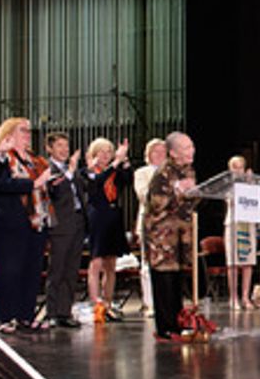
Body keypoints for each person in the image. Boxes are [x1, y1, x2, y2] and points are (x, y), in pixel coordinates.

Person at [0, 118, 53, 333]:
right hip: (11, 220)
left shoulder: (33, 159)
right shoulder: (3, 157)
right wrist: (34, 183)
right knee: (9, 269)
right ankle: (5, 317)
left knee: (32, 269)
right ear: (9, 133)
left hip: (36, 220)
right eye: (23, 130)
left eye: (28, 130)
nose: (27, 134)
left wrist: (49, 183)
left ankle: (26, 315)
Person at [143, 132, 201, 340]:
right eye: (186, 148)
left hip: (179, 236)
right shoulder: (163, 173)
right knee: (164, 282)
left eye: (192, 147)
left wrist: (194, 193)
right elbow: (156, 203)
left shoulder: (187, 170)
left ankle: (177, 323)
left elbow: (187, 204)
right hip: (162, 238)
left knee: (176, 281)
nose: (191, 151)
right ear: (174, 152)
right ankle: (165, 327)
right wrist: (179, 190)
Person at [84, 136, 132, 321]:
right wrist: (116, 163)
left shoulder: (114, 172)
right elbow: (97, 182)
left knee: (111, 264)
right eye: (102, 152)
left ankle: (108, 303)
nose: (106, 155)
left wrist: (124, 160)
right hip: (98, 216)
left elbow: (127, 179)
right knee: (96, 262)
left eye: (109, 152)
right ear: (94, 155)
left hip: (113, 216)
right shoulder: (88, 172)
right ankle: (96, 304)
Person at [44, 132, 87, 328]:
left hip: (77, 222)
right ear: (50, 149)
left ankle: (64, 311)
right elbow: (55, 191)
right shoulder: (48, 168)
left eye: (66, 146)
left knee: (71, 269)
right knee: (57, 269)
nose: (64, 150)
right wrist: (69, 171)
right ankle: (52, 312)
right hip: (60, 224)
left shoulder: (73, 170)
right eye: (59, 146)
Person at [133, 138, 167, 317]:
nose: (160, 155)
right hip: (149, 223)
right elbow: (143, 195)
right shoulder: (142, 172)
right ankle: (150, 304)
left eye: (163, 151)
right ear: (148, 154)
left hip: (169, 225)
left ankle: (165, 302)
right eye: (156, 151)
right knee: (148, 264)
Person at [224, 154, 260, 308]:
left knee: (248, 262)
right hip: (233, 223)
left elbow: (255, 201)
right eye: (234, 167)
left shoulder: (251, 184)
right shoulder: (227, 184)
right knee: (233, 263)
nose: (238, 170)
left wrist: (251, 184)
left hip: (248, 223)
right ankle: (233, 298)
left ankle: (245, 297)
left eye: (240, 167)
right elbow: (231, 201)